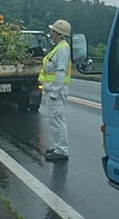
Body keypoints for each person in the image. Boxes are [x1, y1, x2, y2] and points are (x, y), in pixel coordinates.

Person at [38, 19, 72, 162]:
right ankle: (59, 148)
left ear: (58, 33)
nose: (50, 33)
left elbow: (60, 72)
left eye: (52, 31)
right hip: (51, 90)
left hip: (56, 92)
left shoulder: (63, 49)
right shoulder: (57, 47)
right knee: (54, 121)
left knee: (57, 121)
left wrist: (54, 92)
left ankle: (62, 151)